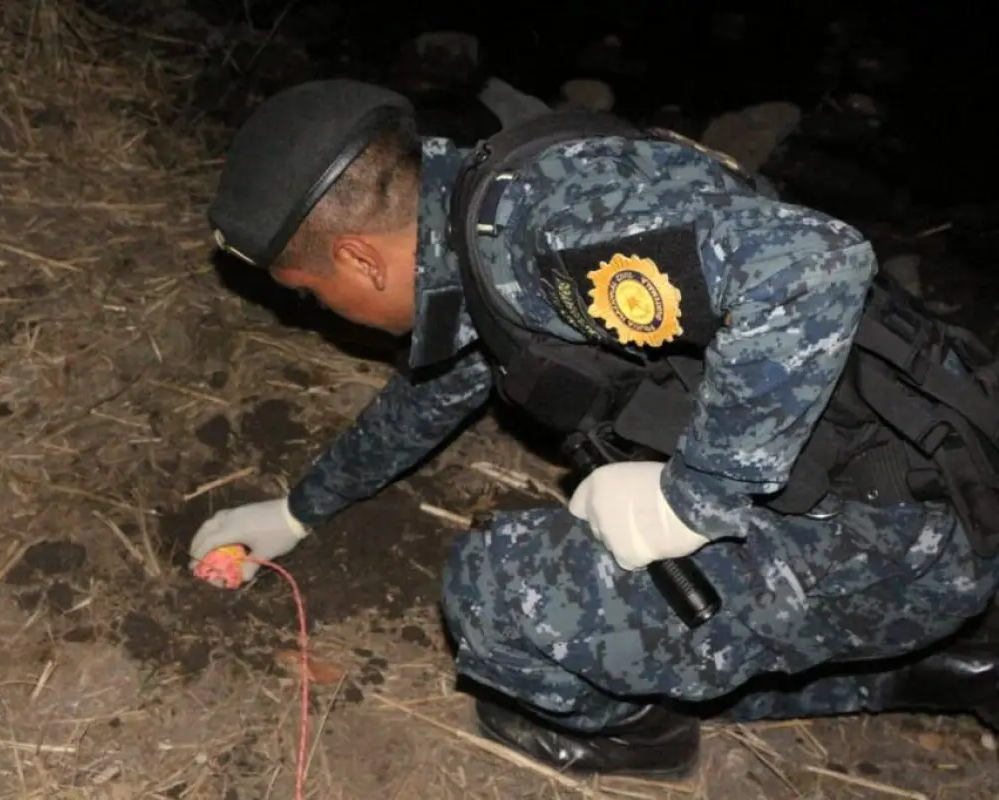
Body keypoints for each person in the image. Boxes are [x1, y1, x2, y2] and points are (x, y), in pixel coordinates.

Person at [189, 78, 999, 778]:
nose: (320, 313)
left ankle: (646, 739)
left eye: (309, 292)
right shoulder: (478, 208)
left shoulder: (539, 236)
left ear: (362, 260)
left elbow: (814, 265)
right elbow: (429, 396)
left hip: (911, 527)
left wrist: (696, 496)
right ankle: (946, 664)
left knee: (498, 596)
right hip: (920, 477)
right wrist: (300, 510)